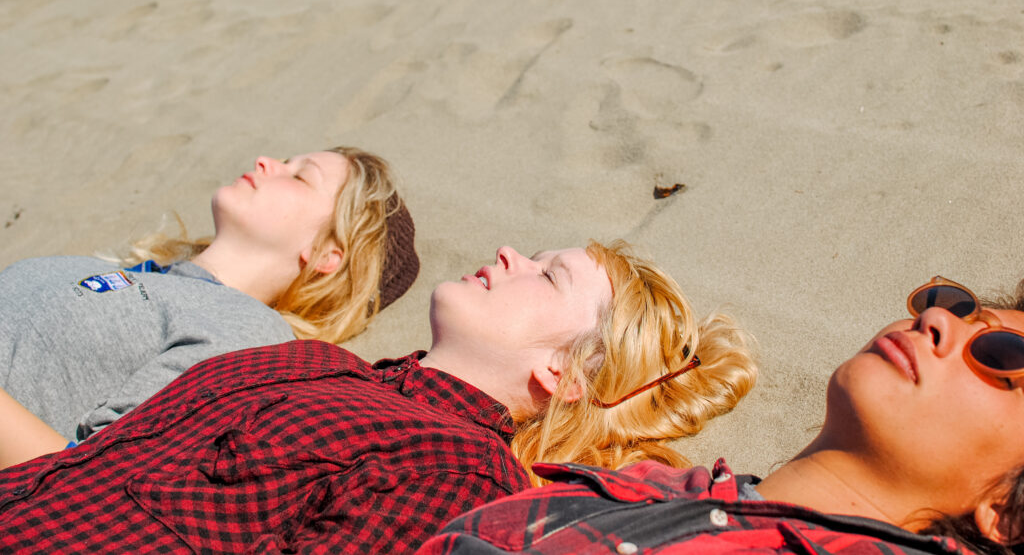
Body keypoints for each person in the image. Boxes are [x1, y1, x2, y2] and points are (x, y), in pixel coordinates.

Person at [0, 241, 756, 554]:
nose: (507, 254)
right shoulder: (318, 363)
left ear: (567, 375)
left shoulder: (455, 471)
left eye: (547, 273)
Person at [417, 275, 1024, 555]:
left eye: (1001, 354)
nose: (934, 321)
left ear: (1007, 512)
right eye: (957, 305)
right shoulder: (634, 484)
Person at [0, 146, 420, 454]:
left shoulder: (244, 328)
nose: (264, 160)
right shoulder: (142, 276)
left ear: (329, 253)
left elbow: (81, 474)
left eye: (298, 176)